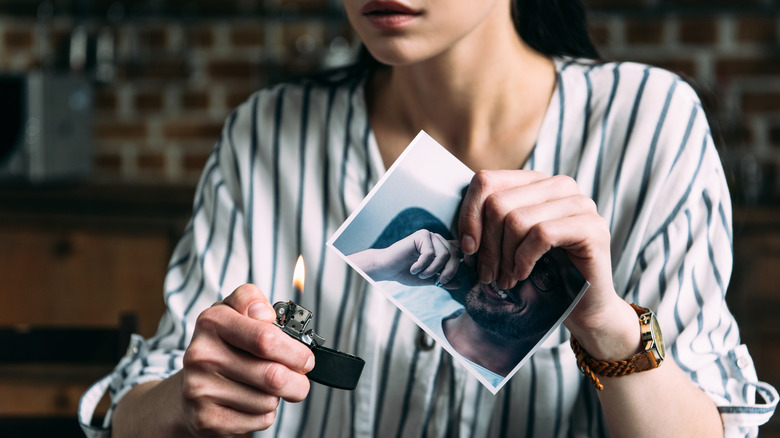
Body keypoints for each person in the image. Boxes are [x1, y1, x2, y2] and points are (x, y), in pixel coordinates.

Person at [78, 0, 778, 436]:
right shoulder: (266, 132)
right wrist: (183, 402)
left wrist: (605, 325)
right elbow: (135, 409)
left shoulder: (648, 123)